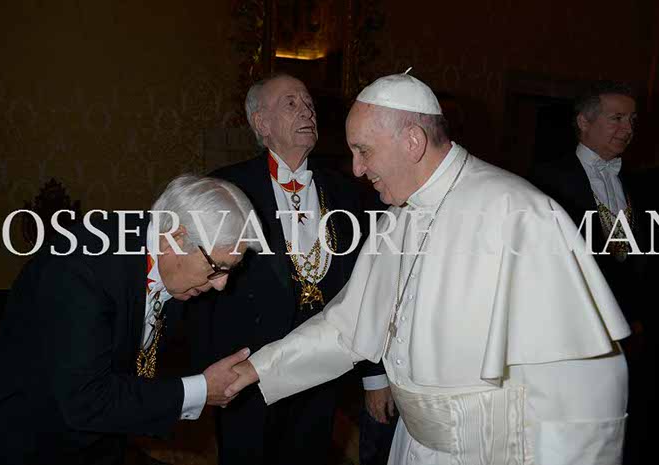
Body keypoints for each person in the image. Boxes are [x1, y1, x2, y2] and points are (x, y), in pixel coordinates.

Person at [226, 72, 631, 465]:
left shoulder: (519, 212)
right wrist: (258, 369)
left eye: (364, 150)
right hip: (413, 444)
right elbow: (346, 326)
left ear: (413, 142)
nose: (357, 169)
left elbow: (584, 393)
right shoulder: (399, 216)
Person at [0, 174, 259, 465]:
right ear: (176, 238)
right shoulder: (79, 270)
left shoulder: (175, 268)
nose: (222, 284)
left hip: (99, 439)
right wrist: (201, 390)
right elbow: (86, 400)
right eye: (217, 267)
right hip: (22, 439)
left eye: (231, 269)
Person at [188, 73, 387, 465]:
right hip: (245, 374)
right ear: (261, 123)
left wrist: (374, 374)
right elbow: (199, 291)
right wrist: (202, 377)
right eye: (291, 103)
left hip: (321, 373)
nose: (307, 111)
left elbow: (369, 288)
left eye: (309, 103)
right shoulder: (224, 187)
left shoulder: (349, 192)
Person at [528, 81, 650, 464]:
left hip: (632, 335)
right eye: (617, 118)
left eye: (632, 120)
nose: (627, 129)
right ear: (584, 121)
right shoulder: (545, 180)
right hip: (574, 336)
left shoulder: (639, 183)